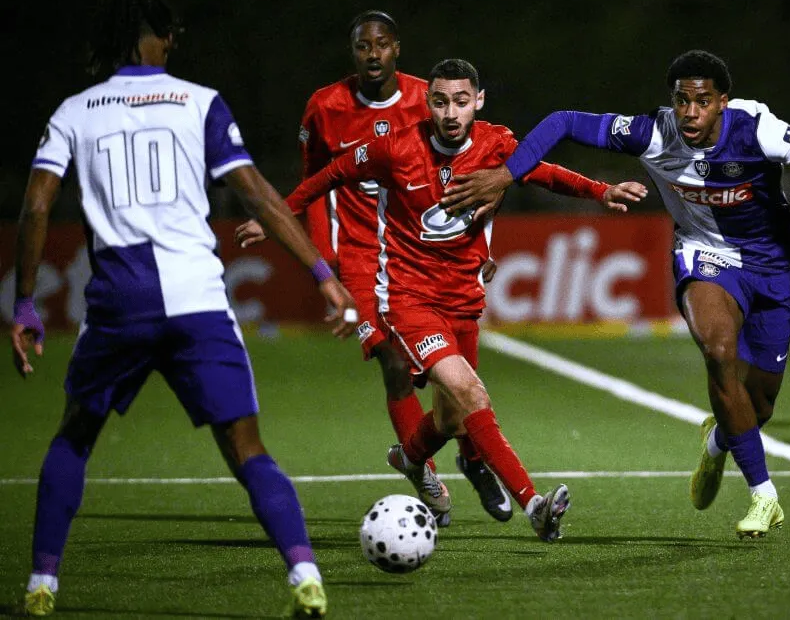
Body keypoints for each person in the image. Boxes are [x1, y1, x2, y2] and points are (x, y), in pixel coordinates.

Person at [437, 49, 790, 539]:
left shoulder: (760, 131)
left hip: (773, 267)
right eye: (681, 101)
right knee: (718, 350)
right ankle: (764, 495)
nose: (690, 113)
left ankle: (717, 442)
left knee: (758, 406)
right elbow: (563, 121)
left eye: (702, 102)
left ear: (722, 103)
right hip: (703, 254)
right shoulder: (652, 132)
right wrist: (506, 175)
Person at [9, 0, 356, 618]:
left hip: (119, 303)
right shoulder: (199, 101)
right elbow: (257, 194)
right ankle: (305, 574)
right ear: (162, 37)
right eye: (173, 36)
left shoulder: (74, 111)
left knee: (74, 437)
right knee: (247, 448)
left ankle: (42, 583)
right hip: (196, 299)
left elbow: (35, 206)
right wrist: (320, 272)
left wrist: (26, 303)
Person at [237, 58, 648, 541]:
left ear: (478, 101)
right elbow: (329, 174)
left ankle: (410, 456)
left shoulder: (495, 144)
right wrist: (276, 218)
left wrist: (601, 191)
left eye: (460, 101)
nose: (450, 113)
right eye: (440, 101)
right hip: (408, 297)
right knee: (471, 393)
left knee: (452, 417)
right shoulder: (395, 148)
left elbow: (542, 172)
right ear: (426, 103)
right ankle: (534, 505)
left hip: (464, 298)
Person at [275, 9, 509, 524]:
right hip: (359, 257)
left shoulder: (431, 96)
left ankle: (474, 460)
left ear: (397, 48)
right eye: (363, 46)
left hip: (417, 253)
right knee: (395, 363)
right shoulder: (325, 106)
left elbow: (482, 173)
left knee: (456, 373)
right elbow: (316, 182)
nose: (373, 54)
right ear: (353, 52)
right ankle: (423, 472)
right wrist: (324, 263)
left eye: (381, 44)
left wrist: (482, 248)